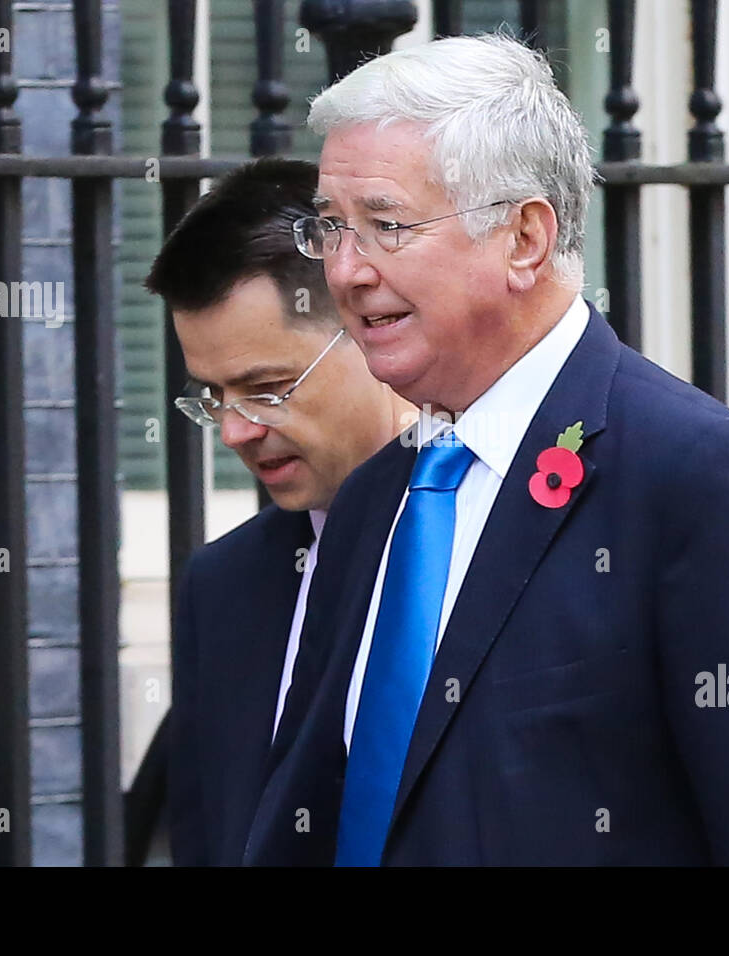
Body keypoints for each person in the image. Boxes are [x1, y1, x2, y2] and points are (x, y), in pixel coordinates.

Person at [243, 35, 729, 865]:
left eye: (386, 225)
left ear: (525, 239)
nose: (347, 270)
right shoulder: (375, 497)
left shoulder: (698, 477)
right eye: (331, 228)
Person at [144, 157, 412, 865]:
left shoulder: (493, 533)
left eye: (266, 388)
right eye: (212, 397)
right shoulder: (223, 584)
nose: (235, 430)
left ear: (368, 327)